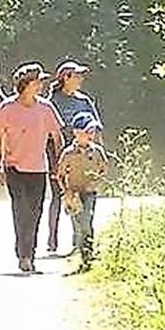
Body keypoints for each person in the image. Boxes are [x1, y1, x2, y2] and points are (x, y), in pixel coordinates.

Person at [0, 62, 64, 274]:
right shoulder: (7, 108)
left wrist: (58, 163)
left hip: (38, 169)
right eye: (38, 82)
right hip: (13, 168)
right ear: (26, 84)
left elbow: (57, 136)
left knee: (35, 212)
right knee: (20, 209)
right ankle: (23, 254)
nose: (41, 85)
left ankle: (29, 253)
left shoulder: (45, 108)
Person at [46, 60, 102, 253]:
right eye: (76, 76)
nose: (80, 79)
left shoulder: (84, 101)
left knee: (83, 196)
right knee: (58, 195)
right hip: (59, 154)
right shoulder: (52, 101)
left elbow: (97, 127)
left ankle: (78, 242)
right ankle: (52, 239)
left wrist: (98, 153)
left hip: (84, 156)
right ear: (65, 78)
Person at [56, 112, 109, 271]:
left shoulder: (97, 151)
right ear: (77, 133)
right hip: (74, 195)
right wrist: (66, 191)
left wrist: (96, 183)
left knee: (87, 220)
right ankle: (82, 254)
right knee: (78, 223)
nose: (91, 135)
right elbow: (60, 174)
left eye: (92, 131)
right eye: (88, 131)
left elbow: (104, 169)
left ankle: (88, 253)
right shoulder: (68, 153)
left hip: (89, 193)